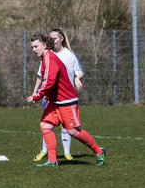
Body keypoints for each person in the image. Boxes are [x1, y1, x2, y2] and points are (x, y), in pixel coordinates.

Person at [27, 33, 106, 167]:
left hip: (66, 101)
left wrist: (36, 96)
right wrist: (47, 95)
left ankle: (99, 151)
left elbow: (49, 82)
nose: (34, 50)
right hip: (55, 102)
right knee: (45, 125)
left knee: (73, 131)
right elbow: (51, 82)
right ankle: (52, 160)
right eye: (32, 47)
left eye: (36, 46)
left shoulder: (50, 59)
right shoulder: (45, 58)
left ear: (44, 45)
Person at [32, 28, 84, 162]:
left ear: (61, 39)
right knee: (46, 124)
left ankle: (67, 153)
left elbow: (78, 71)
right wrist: (36, 91)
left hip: (66, 96)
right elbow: (41, 75)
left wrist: (77, 78)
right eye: (50, 38)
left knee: (67, 127)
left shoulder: (69, 54)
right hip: (50, 96)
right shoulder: (47, 55)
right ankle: (46, 152)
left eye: (54, 38)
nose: (52, 40)